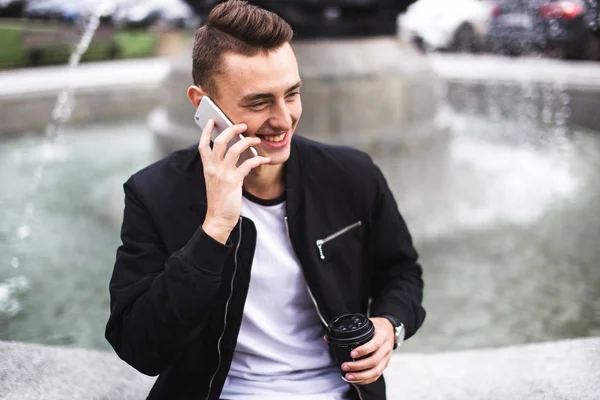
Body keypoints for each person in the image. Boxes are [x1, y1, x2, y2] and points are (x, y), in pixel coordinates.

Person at [105, 1, 425, 399]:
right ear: (201, 105)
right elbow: (140, 348)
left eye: (291, 94)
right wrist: (214, 230)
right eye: (258, 102)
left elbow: (402, 273)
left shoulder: (352, 174)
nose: (283, 119)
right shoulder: (153, 194)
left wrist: (389, 325)